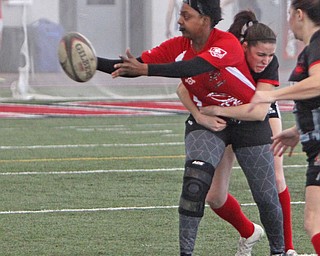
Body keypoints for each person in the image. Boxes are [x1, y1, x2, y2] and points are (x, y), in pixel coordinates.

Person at [95, 0, 285, 255]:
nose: (179, 21)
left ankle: (280, 251)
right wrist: (89, 62)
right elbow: (132, 67)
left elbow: (195, 67)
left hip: (247, 122)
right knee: (195, 184)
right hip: (207, 120)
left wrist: (147, 69)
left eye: (186, 15)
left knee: (265, 196)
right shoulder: (178, 46)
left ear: (204, 20)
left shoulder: (225, 43)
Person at [177, 10, 297, 256]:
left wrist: (215, 108)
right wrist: (200, 115)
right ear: (243, 47)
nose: (265, 60)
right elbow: (182, 87)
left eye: (270, 55)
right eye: (260, 54)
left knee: (274, 177)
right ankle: (249, 231)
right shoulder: (225, 52)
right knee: (212, 196)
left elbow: (258, 111)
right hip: (224, 115)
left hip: (257, 109)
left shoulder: (267, 64)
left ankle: (286, 249)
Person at [249, 0, 320, 254]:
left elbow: (319, 82)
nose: (289, 22)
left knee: (314, 222)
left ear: (299, 14)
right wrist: (298, 131)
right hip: (314, 146)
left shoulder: (317, 45)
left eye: (290, 14)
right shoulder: (312, 49)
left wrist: (272, 96)